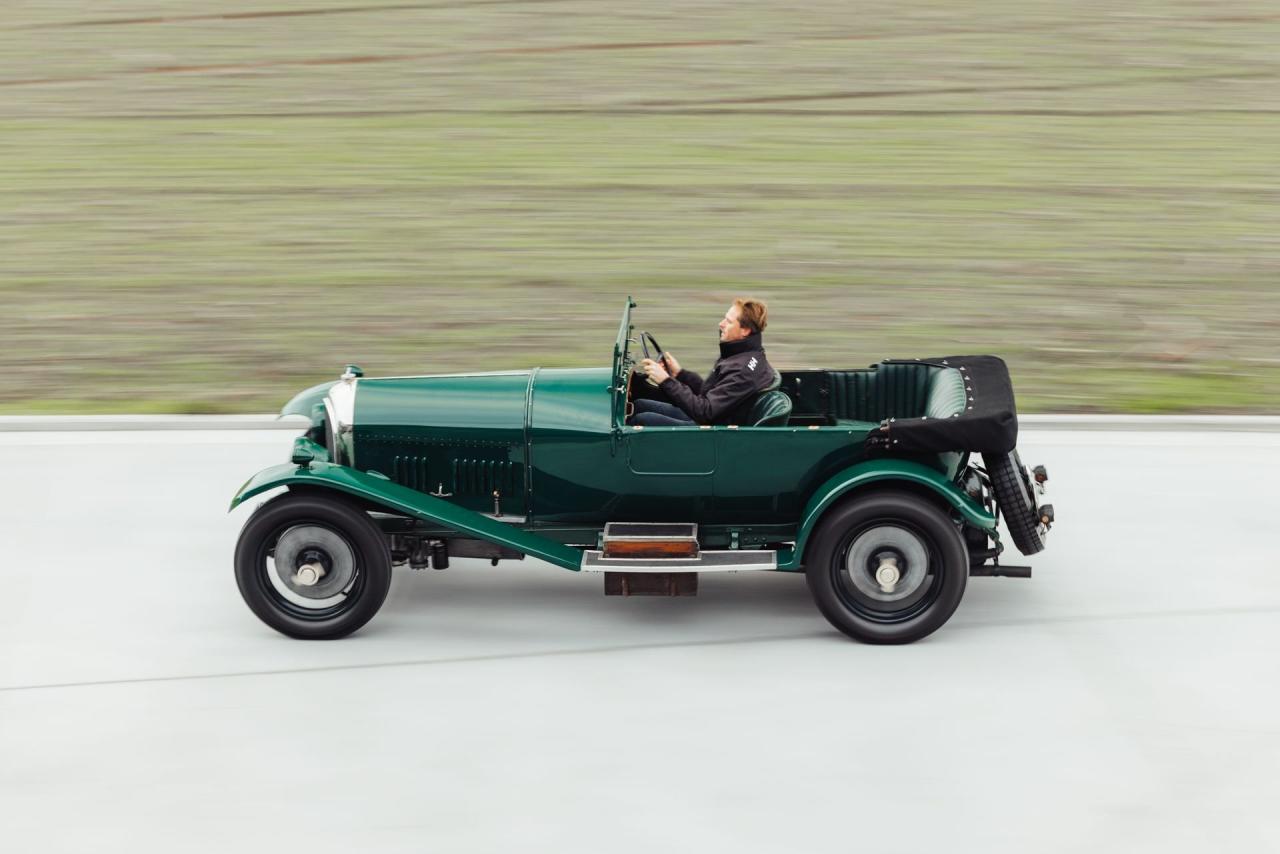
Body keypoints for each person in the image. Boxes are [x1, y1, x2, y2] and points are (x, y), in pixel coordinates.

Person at [630, 298, 774, 427]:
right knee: (638, 405)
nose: (721, 324)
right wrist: (680, 374)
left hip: (714, 433)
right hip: (715, 418)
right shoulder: (740, 355)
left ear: (745, 330)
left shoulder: (742, 371)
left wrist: (666, 381)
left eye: (729, 322)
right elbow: (711, 394)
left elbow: (705, 412)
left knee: (642, 420)